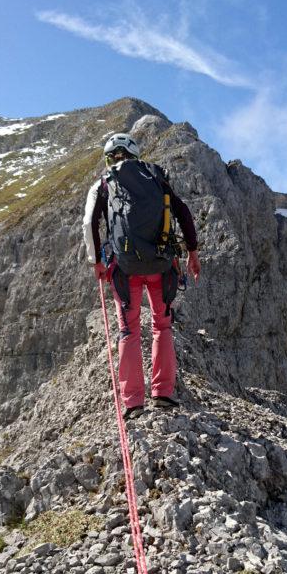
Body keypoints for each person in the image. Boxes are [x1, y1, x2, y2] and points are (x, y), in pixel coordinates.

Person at [83, 133, 201, 419]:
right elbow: (182, 211)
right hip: (162, 265)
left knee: (129, 331)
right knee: (162, 326)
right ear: (134, 154)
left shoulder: (104, 182)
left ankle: (134, 401)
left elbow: (89, 222)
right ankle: (163, 393)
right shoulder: (155, 175)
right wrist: (193, 252)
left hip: (125, 269)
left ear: (110, 157)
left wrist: (96, 260)